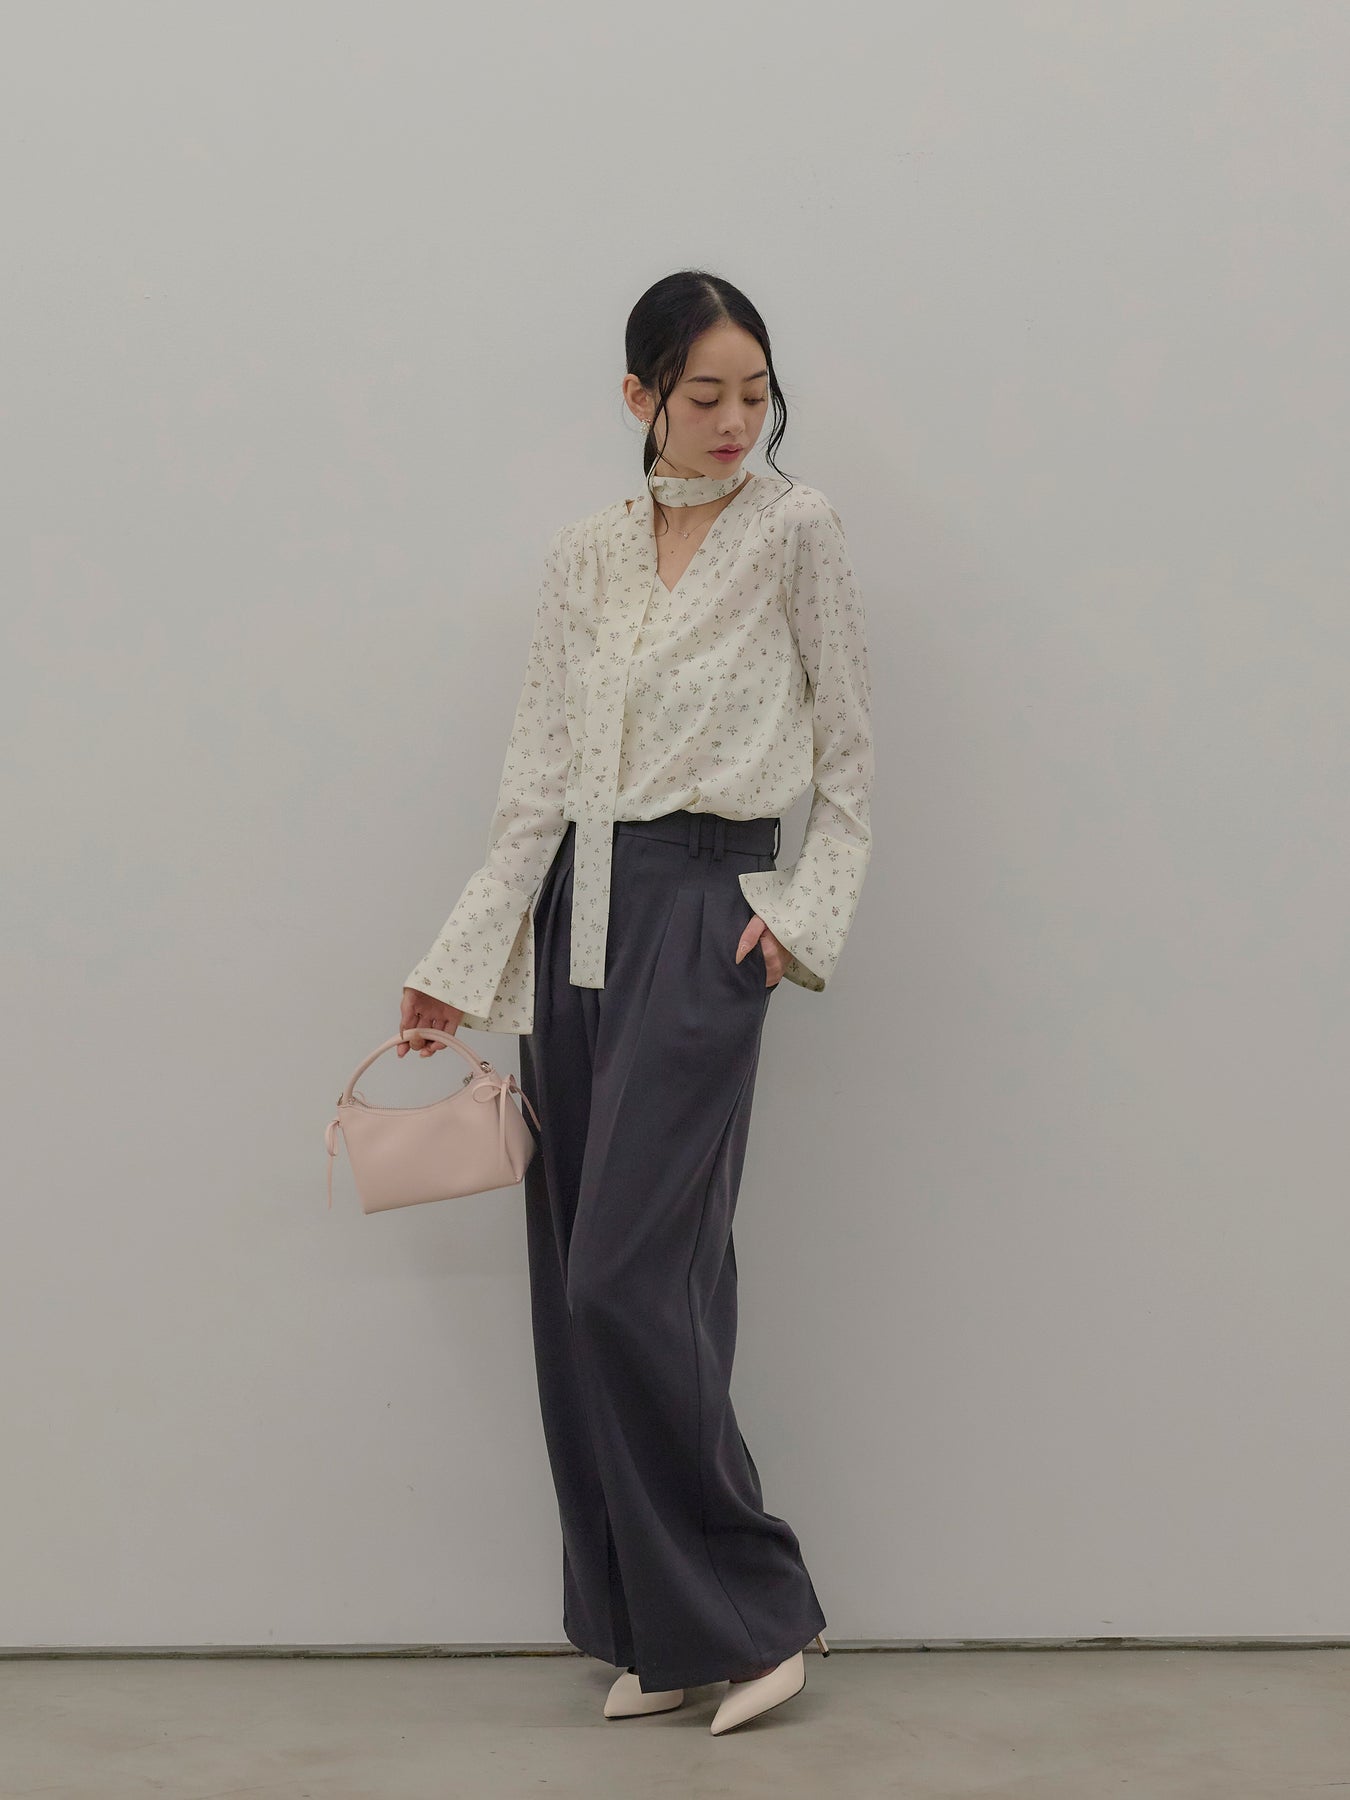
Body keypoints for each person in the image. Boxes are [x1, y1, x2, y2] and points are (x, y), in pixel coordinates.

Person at [397, 269, 874, 1734]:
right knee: (584, 1288)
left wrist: (791, 921)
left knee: (625, 1277)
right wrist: (458, 960)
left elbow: (850, 756)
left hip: (706, 911)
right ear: (639, 397)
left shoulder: (795, 530)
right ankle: (654, 1628)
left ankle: (753, 1611)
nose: (735, 420)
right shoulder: (586, 555)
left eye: (755, 393)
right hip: (577, 920)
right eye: (704, 394)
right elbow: (538, 777)